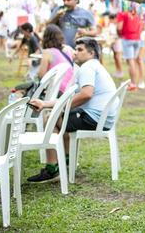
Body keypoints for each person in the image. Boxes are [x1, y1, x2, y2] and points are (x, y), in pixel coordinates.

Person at [27, 37, 118, 182]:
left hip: (94, 119)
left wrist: (51, 105)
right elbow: (75, 97)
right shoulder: (95, 65)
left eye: (80, 50)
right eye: (76, 49)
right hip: (102, 118)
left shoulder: (87, 67)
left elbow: (86, 94)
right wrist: (49, 104)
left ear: (92, 53)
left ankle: (52, 169)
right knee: (60, 115)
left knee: (51, 118)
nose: (75, 53)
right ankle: (67, 160)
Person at [37, 24, 74, 94]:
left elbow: (41, 76)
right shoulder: (69, 49)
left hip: (55, 90)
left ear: (46, 37)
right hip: (69, 89)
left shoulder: (47, 52)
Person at [117, 9, 144, 91]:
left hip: (127, 38)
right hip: (137, 38)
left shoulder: (122, 12)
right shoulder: (138, 11)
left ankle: (133, 83)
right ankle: (140, 81)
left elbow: (119, 27)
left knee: (131, 61)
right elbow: (142, 25)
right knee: (136, 61)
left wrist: (120, 35)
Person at [108, 13, 124, 77]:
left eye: (111, 20)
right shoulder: (111, 25)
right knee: (115, 57)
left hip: (118, 42)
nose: (110, 21)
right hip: (113, 41)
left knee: (118, 57)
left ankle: (120, 71)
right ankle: (117, 71)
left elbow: (120, 34)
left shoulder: (118, 24)